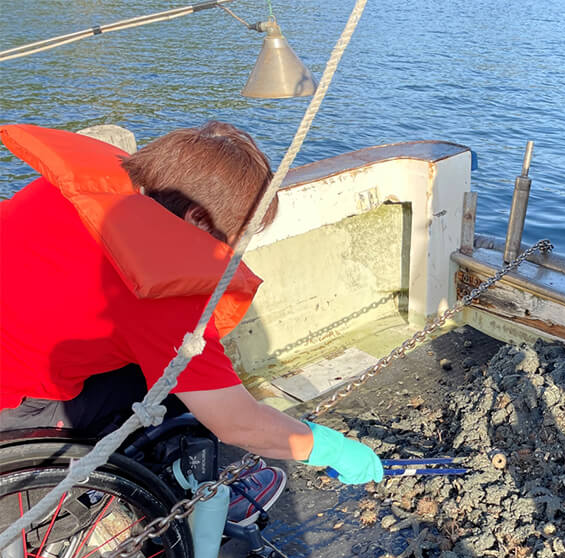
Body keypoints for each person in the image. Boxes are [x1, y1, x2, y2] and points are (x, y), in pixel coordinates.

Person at [0, 121, 383, 526]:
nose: (233, 251)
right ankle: (191, 495)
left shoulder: (64, 191)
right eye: (236, 237)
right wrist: (330, 448)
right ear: (198, 219)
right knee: (184, 389)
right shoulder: (156, 289)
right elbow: (236, 422)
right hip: (16, 409)